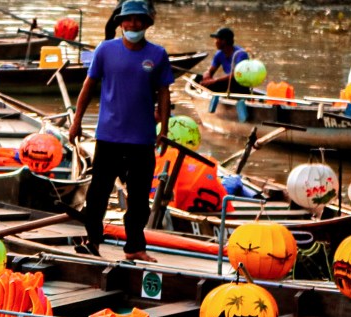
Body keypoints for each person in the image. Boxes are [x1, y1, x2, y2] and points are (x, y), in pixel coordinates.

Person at [69, 0, 172, 263]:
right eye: (128, 20)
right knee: (98, 194)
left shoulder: (157, 54)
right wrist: (76, 120)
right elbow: (88, 87)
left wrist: (165, 128)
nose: (133, 24)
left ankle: (134, 247)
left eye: (139, 20)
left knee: (138, 198)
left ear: (147, 23)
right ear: (121, 23)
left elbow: (164, 93)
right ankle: (92, 241)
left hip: (142, 138)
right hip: (108, 136)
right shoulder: (105, 50)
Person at [197, 27, 250, 93]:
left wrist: (214, 82)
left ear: (223, 41)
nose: (215, 42)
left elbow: (236, 76)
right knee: (204, 82)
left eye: (216, 39)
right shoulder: (219, 54)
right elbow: (210, 71)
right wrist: (207, 77)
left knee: (216, 83)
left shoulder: (240, 54)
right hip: (227, 85)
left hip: (240, 85)